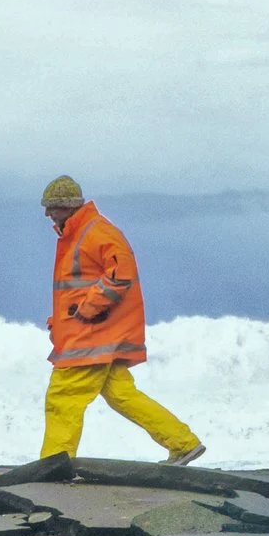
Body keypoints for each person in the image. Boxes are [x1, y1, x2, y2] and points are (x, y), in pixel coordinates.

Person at [36, 176, 204, 465]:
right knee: (121, 394)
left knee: (62, 398)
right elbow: (77, 289)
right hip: (92, 335)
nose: (47, 214)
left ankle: (53, 464)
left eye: (52, 207)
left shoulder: (95, 232)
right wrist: (60, 322)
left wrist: (87, 310)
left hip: (92, 337)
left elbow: (120, 274)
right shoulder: (78, 234)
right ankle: (183, 443)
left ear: (68, 206)